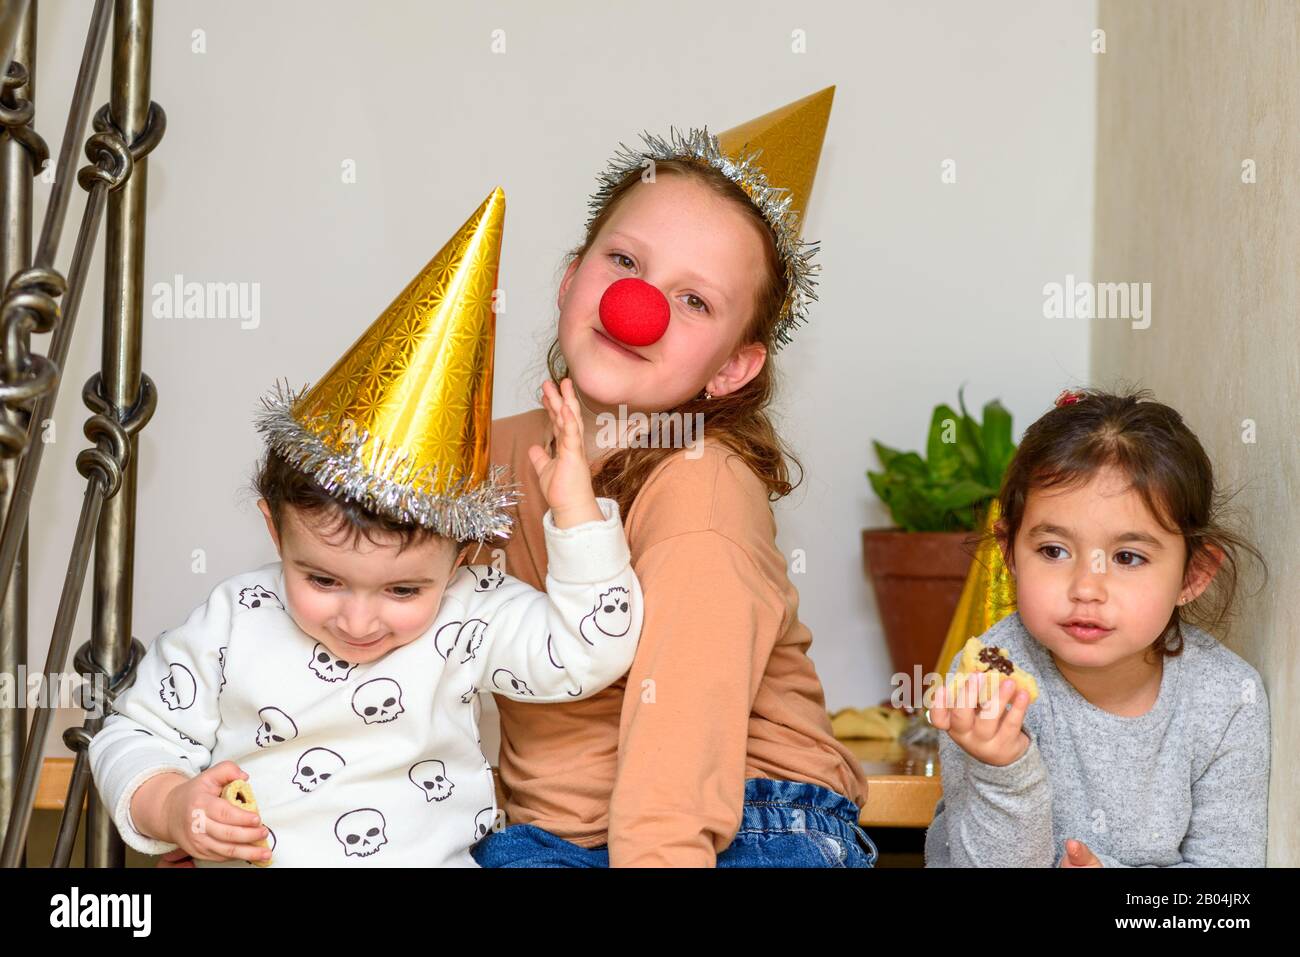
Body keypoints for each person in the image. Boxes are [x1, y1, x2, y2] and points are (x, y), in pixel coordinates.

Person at [88, 189, 643, 867]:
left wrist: (575, 513)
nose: (358, 619)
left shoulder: (470, 614)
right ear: (275, 528)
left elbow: (593, 650)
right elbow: (130, 735)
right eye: (322, 577)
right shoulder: (235, 620)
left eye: (403, 590)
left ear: (463, 551)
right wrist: (171, 803)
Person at [471, 88, 878, 867]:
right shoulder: (489, 457)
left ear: (733, 366)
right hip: (555, 833)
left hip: (746, 819)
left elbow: (681, 738)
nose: (639, 306)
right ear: (570, 279)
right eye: (624, 262)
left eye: (693, 300)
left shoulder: (703, 484)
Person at [925, 387, 1270, 867]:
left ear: (1193, 574)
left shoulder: (1228, 698)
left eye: (1128, 557)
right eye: (1053, 551)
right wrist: (1002, 767)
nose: (1086, 587)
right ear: (1009, 553)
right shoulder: (991, 680)